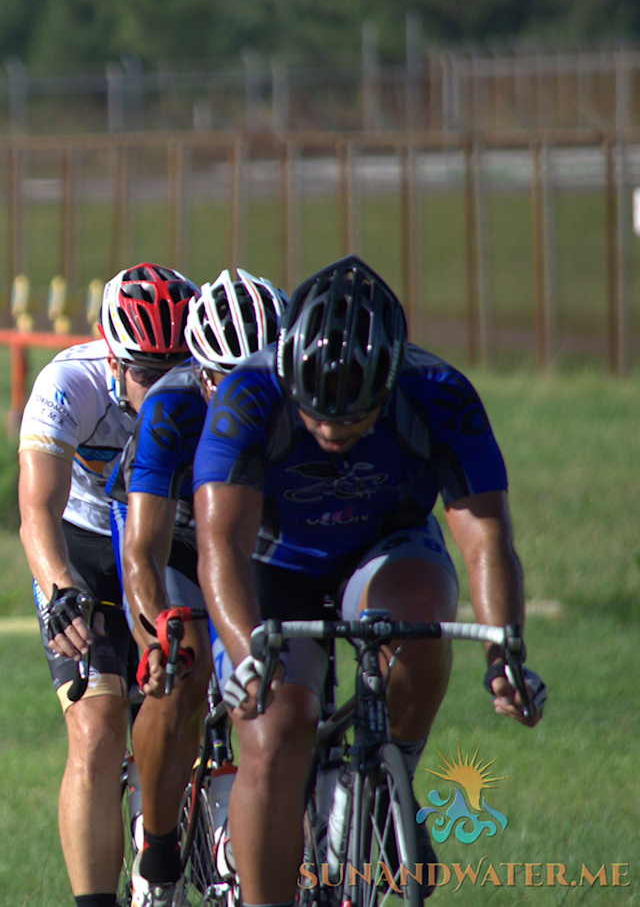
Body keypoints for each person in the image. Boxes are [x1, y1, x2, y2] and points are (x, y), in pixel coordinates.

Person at [193, 255, 548, 907]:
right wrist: (246, 656)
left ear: (388, 387)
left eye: (351, 419)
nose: (329, 431)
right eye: (315, 415)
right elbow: (220, 544)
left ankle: (390, 780)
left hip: (384, 550)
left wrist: (505, 648)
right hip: (273, 561)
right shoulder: (247, 395)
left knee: (424, 608)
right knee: (273, 730)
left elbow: (485, 536)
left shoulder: (440, 392)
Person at [16, 263, 196, 907]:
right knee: (97, 725)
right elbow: (37, 510)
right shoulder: (69, 382)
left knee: (177, 702)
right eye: (146, 374)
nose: (163, 389)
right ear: (113, 358)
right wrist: (62, 589)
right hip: (84, 548)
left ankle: (169, 843)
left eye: (178, 368)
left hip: (172, 539)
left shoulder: (210, 383)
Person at [114, 270, 285, 907]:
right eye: (220, 380)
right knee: (179, 663)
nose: (239, 398)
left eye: (258, 381)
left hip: (257, 542)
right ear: (197, 370)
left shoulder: (304, 406)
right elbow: (143, 551)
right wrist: (157, 635)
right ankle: (158, 852)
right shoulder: (171, 406)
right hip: (173, 537)